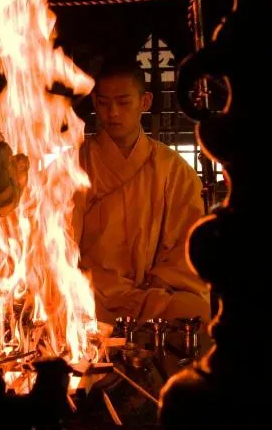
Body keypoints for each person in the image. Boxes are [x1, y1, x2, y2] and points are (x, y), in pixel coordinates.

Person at [73, 59, 211, 325]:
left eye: (123, 102)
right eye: (103, 103)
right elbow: (59, 240)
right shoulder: (75, 164)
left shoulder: (173, 170)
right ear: (94, 102)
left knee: (199, 310)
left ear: (145, 102)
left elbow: (186, 244)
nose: (112, 113)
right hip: (89, 293)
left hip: (150, 293)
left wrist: (158, 282)